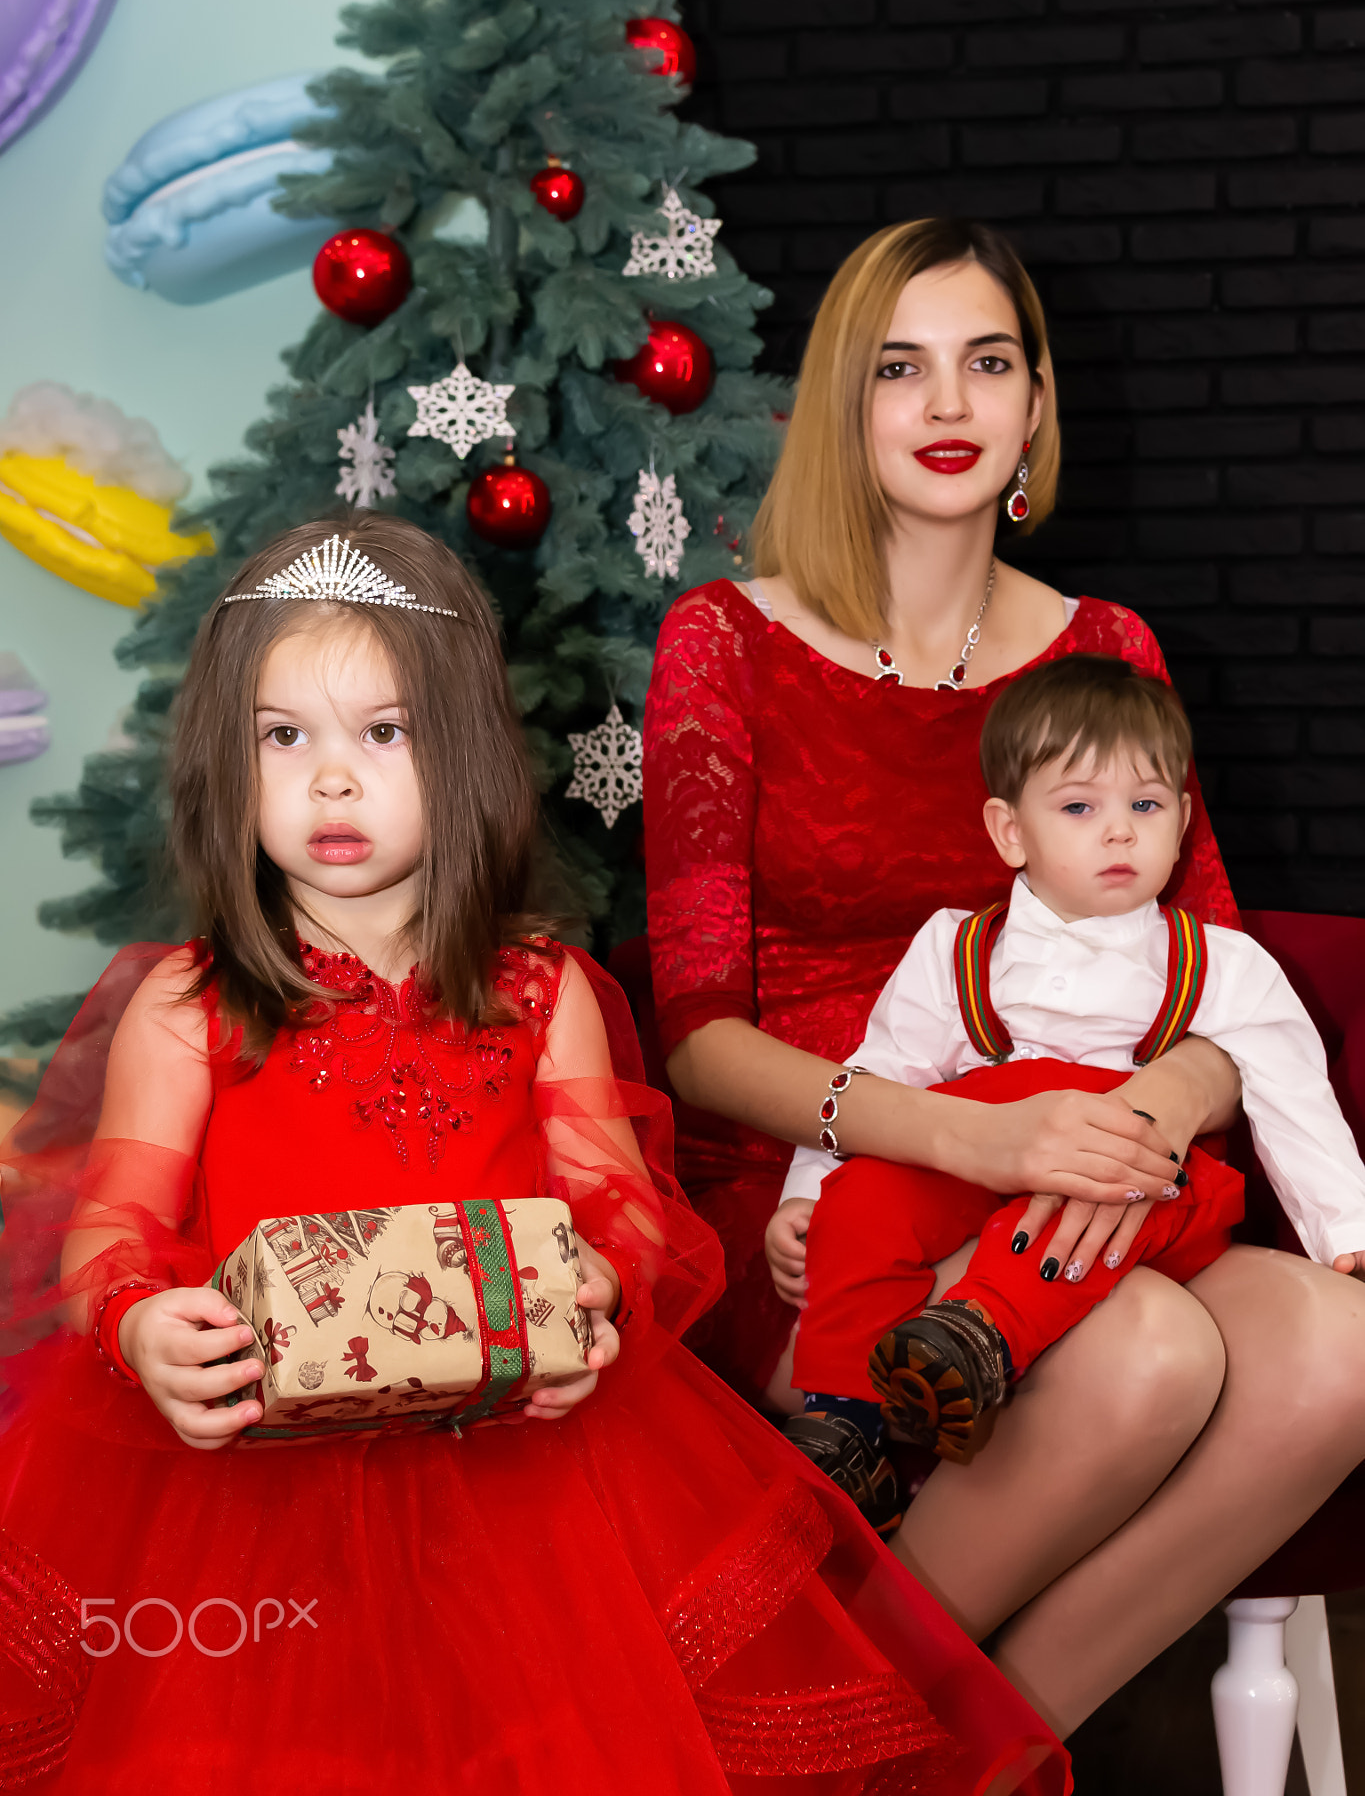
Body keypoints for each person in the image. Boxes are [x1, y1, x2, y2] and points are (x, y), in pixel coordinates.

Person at [0, 516, 1066, 1795]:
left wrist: (591, 1298)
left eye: (381, 734)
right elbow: (107, 1232)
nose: (330, 781)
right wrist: (140, 1325)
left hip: (527, 1485)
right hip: (249, 1502)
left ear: (462, 757)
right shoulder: (193, 1005)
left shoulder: (534, 989)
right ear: (228, 765)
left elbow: (621, 1212)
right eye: (285, 737)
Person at [642, 217, 1365, 1738]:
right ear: (843, 409)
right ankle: (800, 1716)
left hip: (1092, 1162)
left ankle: (942, 1752)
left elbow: (1208, 967)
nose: (951, 405)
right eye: (901, 370)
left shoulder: (1107, 648)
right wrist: (966, 1136)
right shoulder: (723, 640)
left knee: (1336, 1353)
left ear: (1036, 405)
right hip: (824, 1193)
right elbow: (697, 1038)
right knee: (1154, 1352)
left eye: (988, 364)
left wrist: (1158, 1102)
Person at [778, 654, 1365, 1515]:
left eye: (1145, 805)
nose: (1119, 832)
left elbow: (1293, 1100)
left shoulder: (1221, 965)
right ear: (1009, 831)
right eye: (1080, 807)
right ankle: (841, 1418)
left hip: (1145, 1185)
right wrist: (811, 1193)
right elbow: (880, 1076)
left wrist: (1345, 1233)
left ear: (1182, 823)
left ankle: (977, 1335)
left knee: (1113, 1190)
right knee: (864, 1196)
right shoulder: (954, 949)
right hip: (986, 1165)